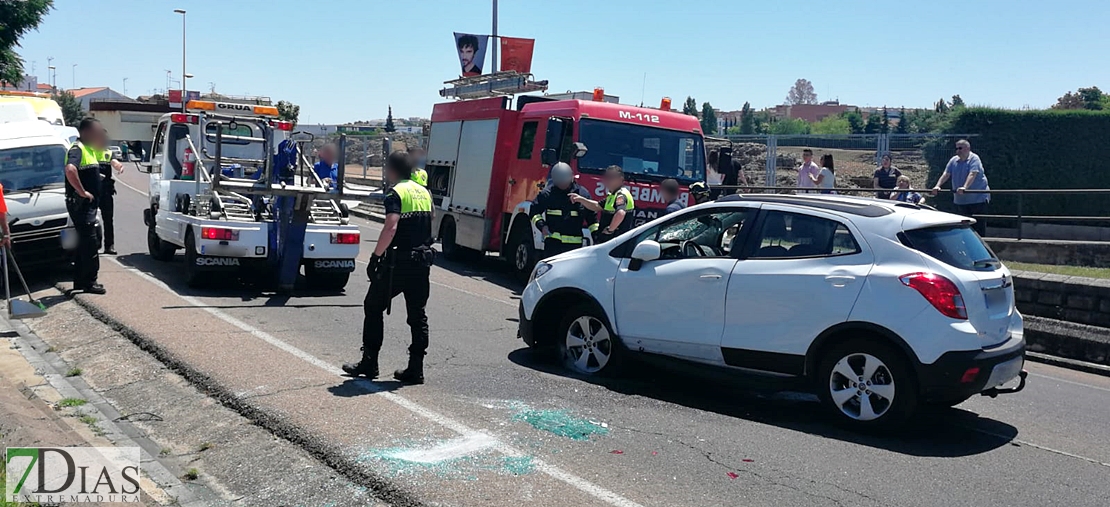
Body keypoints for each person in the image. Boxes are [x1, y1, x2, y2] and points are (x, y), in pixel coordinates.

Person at [343, 151, 436, 384]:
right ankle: (416, 368)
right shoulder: (424, 192)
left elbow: (391, 227)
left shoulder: (396, 193)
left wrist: (375, 257)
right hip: (422, 263)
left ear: (393, 170)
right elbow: (430, 221)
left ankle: (370, 362)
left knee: (373, 306)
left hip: (398, 264)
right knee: (418, 315)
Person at [64, 118, 107, 295]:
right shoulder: (77, 149)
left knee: (84, 243)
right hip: (82, 205)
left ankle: (80, 281)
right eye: (97, 132)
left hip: (87, 206)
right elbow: (70, 170)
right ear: (86, 132)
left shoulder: (89, 150)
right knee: (91, 243)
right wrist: (82, 192)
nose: (99, 135)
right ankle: (90, 282)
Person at [530, 163, 596, 258]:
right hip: (553, 245)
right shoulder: (547, 194)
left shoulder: (582, 194)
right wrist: (542, 226)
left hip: (574, 248)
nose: (563, 185)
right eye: (560, 183)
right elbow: (534, 212)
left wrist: (597, 237)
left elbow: (592, 219)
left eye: (564, 182)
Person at [932, 139, 990, 236]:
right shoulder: (953, 160)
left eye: (960, 148)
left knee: (978, 226)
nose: (957, 150)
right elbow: (946, 174)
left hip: (978, 199)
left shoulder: (974, 158)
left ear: (967, 148)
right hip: (961, 200)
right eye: (956, 148)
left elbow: (973, 173)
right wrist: (937, 186)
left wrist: (965, 187)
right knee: (963, 227)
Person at [571, 165, 635, 243]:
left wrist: (610, 230)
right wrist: (581, 199)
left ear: (620, 179)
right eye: (607, 177)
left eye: (611, 178)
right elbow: (597, 206)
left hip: (615, 241)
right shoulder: (612, 195)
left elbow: (620, 213)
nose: (608, 180)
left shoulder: (620, 195)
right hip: (610, 241)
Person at [96, 132, 125, 255]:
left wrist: (119, 167)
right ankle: (93, 245)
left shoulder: (107, 152)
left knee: (108, 219)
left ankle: (109, 246)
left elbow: (114, 162)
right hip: (92, 191)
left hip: (106, 191)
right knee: (90, 220)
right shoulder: (88, 151)